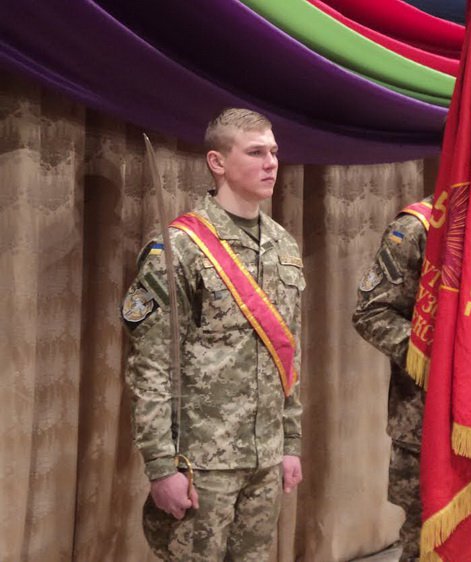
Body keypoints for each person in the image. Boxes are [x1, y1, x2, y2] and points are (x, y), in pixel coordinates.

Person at [122, 108, 304, 561]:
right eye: (256, 152)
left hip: (265, 457)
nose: (271, 163)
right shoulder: (179, 248)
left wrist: (290, 443)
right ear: (217, 162)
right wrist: (161, 466)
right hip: (201, 462)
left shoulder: (283, 245)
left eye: (274, 152)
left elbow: (288, 355)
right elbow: (150, 367)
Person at [352, 195, 471, 561]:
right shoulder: (416, 228)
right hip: (426, 420)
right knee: (429, 541)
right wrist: (441, 355)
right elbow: (371, 313)